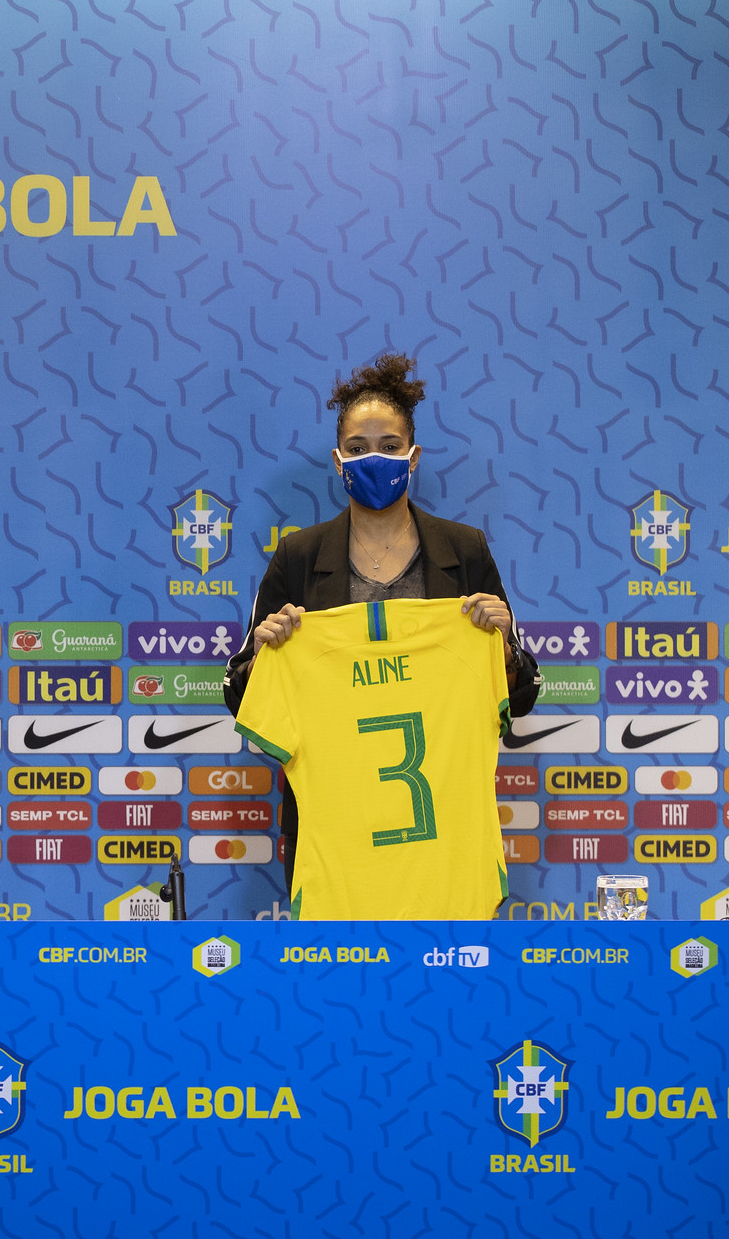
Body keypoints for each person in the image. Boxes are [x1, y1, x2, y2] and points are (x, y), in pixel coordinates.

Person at [223, 355, 540, 892]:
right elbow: (240, 696)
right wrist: (262, 656)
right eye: (358, 448)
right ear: (338, 460)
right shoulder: (297, 557)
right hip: (335, 839)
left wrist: (504, 646)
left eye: (390, 446)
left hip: (444, 836)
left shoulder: (464, 551)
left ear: (414, 457)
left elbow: (520, 697)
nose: (374, 459)